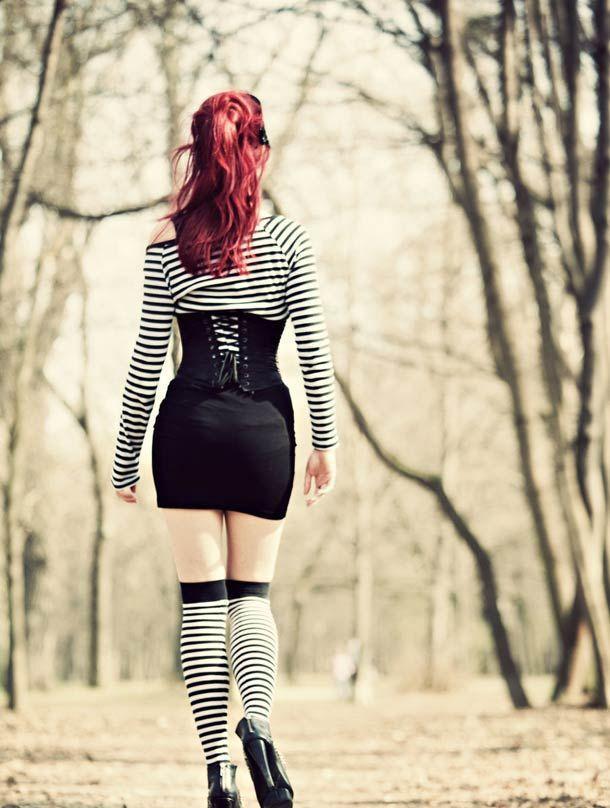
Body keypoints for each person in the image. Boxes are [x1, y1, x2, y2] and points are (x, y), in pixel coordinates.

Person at [110, 90, 339, 808]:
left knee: (203, 604)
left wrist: (124, 461)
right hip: (263, 431)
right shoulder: (290, 240)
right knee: (252, 599)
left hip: (188, 429)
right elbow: (313, 352)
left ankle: (219, 773)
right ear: (258, 153)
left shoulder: (168, 243)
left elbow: (148, 360)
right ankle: (259, 728)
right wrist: (324, 444)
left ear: (200, 155)